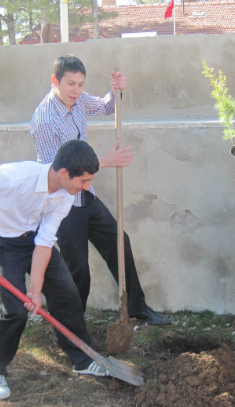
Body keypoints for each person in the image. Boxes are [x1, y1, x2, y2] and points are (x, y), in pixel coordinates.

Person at [0, 140, 107, 401]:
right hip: (3, 244)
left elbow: (45, 242)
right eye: (84, 181)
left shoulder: (66, 196)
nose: (87, 187)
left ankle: (81, 358)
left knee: (67, 294)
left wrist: (35, 289)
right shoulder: (12, 177)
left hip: (34, 241)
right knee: (15, 311)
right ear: (64, 173)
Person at [29, 55, 170, 325]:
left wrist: (116, 90)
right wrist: (103, 162)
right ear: (54, 81)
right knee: (78, 267)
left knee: (119, 242)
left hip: (85, 196)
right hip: (61, 202)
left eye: (81, 84)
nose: (77, 91)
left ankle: (137, 307)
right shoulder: (44, 120)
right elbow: (58, 175)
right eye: (71, 84)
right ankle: (71, 324)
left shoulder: (78, 100)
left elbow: (106, 106)